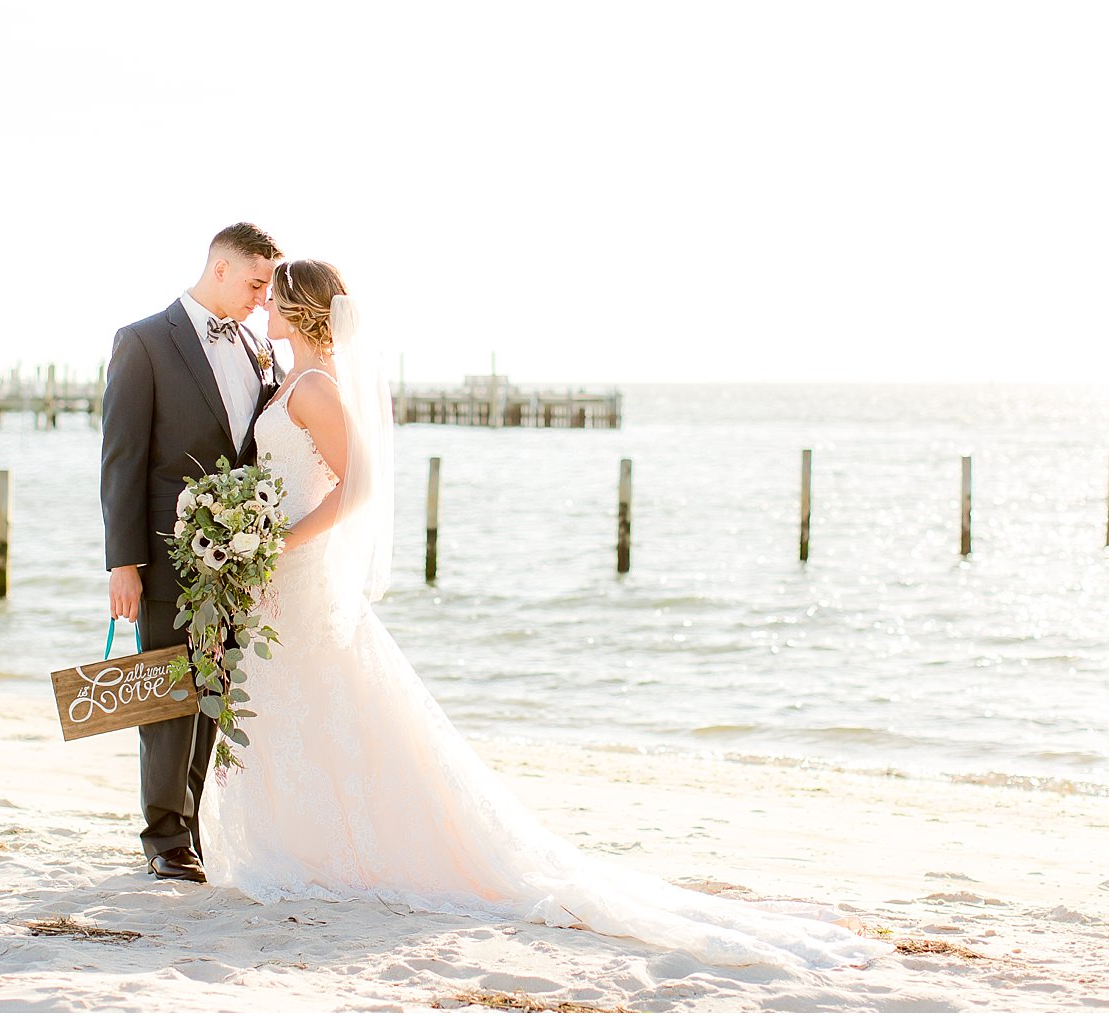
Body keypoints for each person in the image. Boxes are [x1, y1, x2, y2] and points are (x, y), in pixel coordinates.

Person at [195, 259, 893, 969]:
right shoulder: (294, 380)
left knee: (327, 699)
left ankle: (330, 847)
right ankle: (305, 839)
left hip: (299, 570)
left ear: (299, 310)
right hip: (277, 576)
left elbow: (359, 487)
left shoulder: (315, 387)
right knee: (304, 703)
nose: (263, 310)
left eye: (273, 299)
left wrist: (280, 540)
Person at [100, 223, 285, 882]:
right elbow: (122, 458)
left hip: (237, 555)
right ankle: (164, 838)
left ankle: (192, 830)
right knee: (166, 693)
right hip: (162, 552)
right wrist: (122, 562)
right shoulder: (144, 342)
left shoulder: (261, 351)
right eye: (258, 283)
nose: (264, 299)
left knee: (213, 689)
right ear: (221, 269)